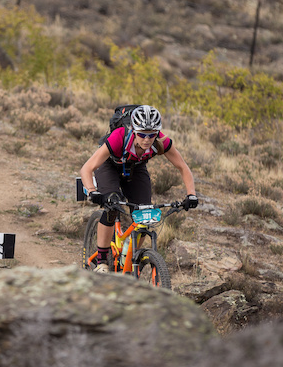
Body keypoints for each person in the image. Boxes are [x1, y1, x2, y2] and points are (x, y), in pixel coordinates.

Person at [79, 105, 198, 273]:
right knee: (111, 204)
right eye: (142, 134)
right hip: (109, 166)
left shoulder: (161, 142)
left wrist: (191, 194)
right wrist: (92, 191)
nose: (147, 139)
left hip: (136, 167)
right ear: (134, 130)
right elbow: (86, 168)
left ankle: (130, 259)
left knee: (144, 212)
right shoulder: (119, 137)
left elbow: (183, 167)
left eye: (152, 135)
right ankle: (101, 260)